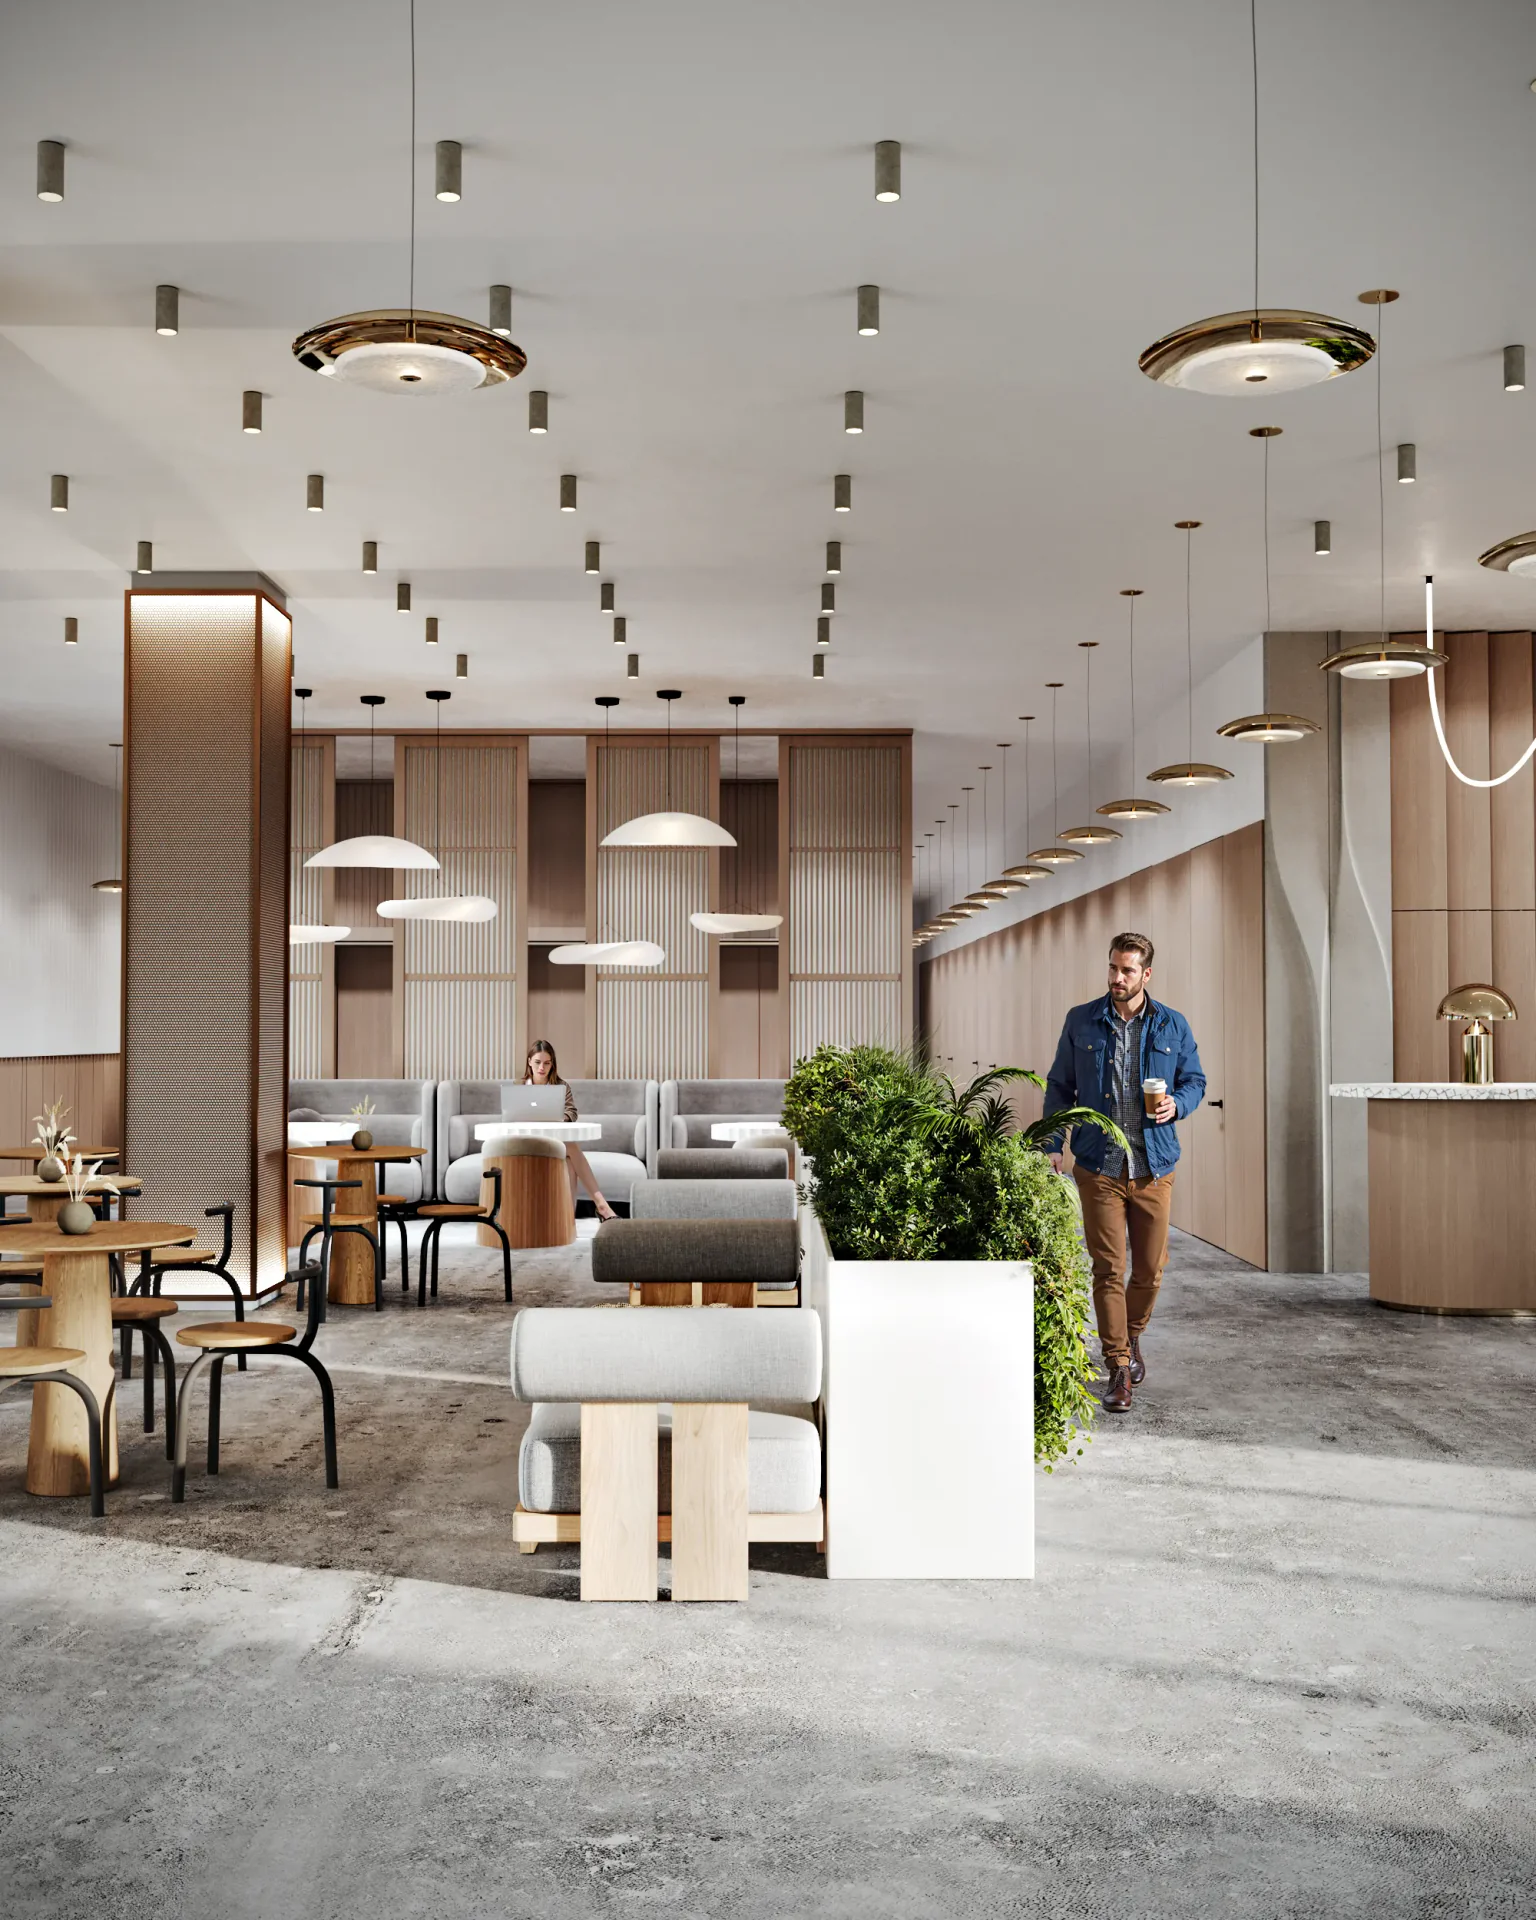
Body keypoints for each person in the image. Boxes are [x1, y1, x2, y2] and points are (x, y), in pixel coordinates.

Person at [1041, 933, 1204, 1414]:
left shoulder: (1172, 1025)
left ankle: (1131, 1339)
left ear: (1146, 974)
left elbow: (1195, 1080)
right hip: (1099, 1164)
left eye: (1127, 970)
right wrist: (1053, 1142)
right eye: (1113, 968)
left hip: (1154, 1165)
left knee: (1151, 1271)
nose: (1116, 978)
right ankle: (1117, 1367)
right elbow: (1059, 1085)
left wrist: (1179, 1104)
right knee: (1109, 1269)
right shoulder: (1082, 1020)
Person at [523, 1040, 616, 1223]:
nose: (542, 1067)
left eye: (547, 1063)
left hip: (554, 1140)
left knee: (570, 1160)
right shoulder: (519, 1086)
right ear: (529, 1062)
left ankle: (568, 1220)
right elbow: (510, 1114)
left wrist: (560, 1118)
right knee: (572, 1149)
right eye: (537, 1062)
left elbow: (572, 1112)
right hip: (528, 1139)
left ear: (552, 1064)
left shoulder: (560, 1085)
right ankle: (601, 1206)